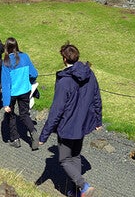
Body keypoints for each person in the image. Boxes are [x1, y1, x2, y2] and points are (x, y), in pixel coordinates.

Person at [39, 44, 102, 197]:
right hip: (82, 123)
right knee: (75, 156)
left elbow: (56, 111)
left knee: (65, 160)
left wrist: (43, 136)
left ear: (64, 58)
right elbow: (96, 97)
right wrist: (98, 120)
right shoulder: (89, 73)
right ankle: (75, 191)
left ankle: (84, 186)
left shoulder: (64, 82)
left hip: (67, 126)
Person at [1, 36, 39, 150]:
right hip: (25, 90)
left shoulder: (6, 62)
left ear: (6, 48)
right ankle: (33, 131)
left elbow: (6, 84)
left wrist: (6, 103)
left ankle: (15, 139)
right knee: (24, 114)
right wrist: (29, 81)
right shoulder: (25, 57)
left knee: (11, 116)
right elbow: (34, 73)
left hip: (13, 93)